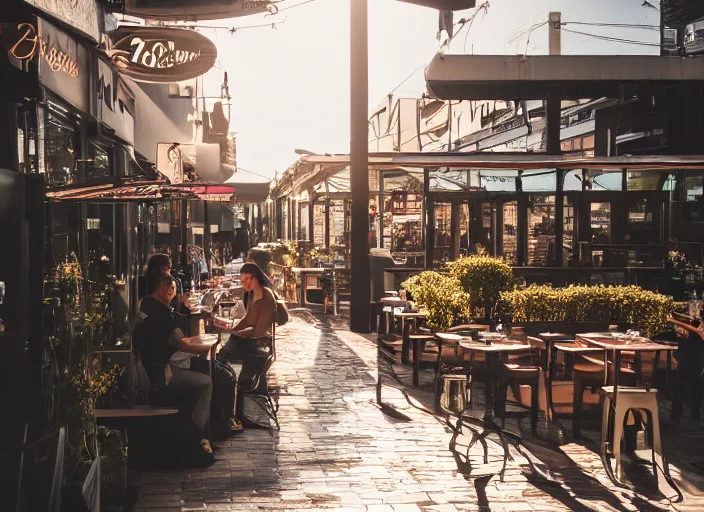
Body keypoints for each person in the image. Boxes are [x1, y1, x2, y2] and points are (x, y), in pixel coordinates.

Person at [137, 273, 215, 455]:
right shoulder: (161, 313)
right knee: (206, 382)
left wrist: (198, 340)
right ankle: (199, 432)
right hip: (159, 374)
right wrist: (206, 347)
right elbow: (182, 344)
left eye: (173, 287)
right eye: (169, 286)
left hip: (150, 367)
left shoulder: (147, 305)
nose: (172, 291)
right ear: (160, 288)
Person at [212, 263, 276, 420]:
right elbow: (248, 319)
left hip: (260, 349)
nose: (245, 284)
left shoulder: (264, 296)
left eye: (247, 280)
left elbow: (258, 331)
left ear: (255, 277)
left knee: (222, 360)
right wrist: (232, 329)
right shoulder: (255, 294)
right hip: (255, 344)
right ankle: (224, 401)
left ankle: (226, 407)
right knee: (222, 356)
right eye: (242, 281)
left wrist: (237, 332)